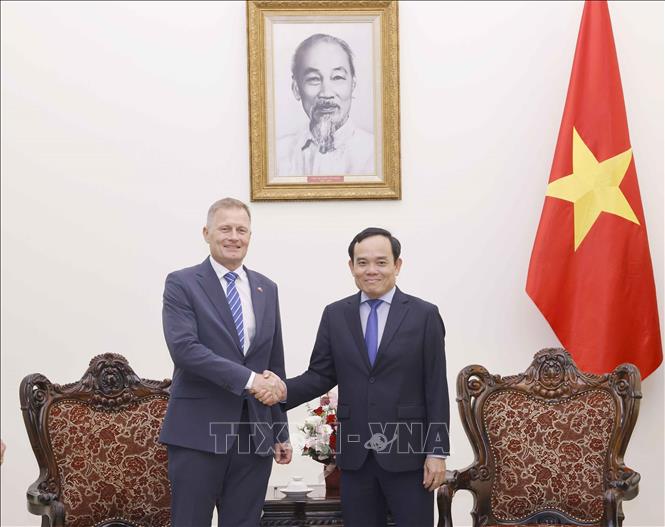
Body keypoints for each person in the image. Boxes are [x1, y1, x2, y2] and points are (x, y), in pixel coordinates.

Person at [267, 227, 450, 526]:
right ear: (351, 266)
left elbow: (436, 388)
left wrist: (437, 452)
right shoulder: (335, 314)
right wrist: (280, 391)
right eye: (362, 262)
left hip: (409, 455)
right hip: (355, 458)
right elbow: (320, 375)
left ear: (397, 265)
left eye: (381, 262)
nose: (371, 270)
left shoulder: (424, 315)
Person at [160, 197, 291, 527]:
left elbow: (273, 363)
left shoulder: (267, 288)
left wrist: (280, 431)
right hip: (198, 433)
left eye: (241, 230)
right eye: (225, 229)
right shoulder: (182, 283)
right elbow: (185, 349)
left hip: (254, 436)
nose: (234, 237)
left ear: (250, 236)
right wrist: (250, 380)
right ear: (206, 233)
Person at [276, 33, 375, 177]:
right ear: (296, 88)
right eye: (314, 79)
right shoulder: (277, 156)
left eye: (337, 77)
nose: (326, 93)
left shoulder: (376, 154)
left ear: (353, 85)